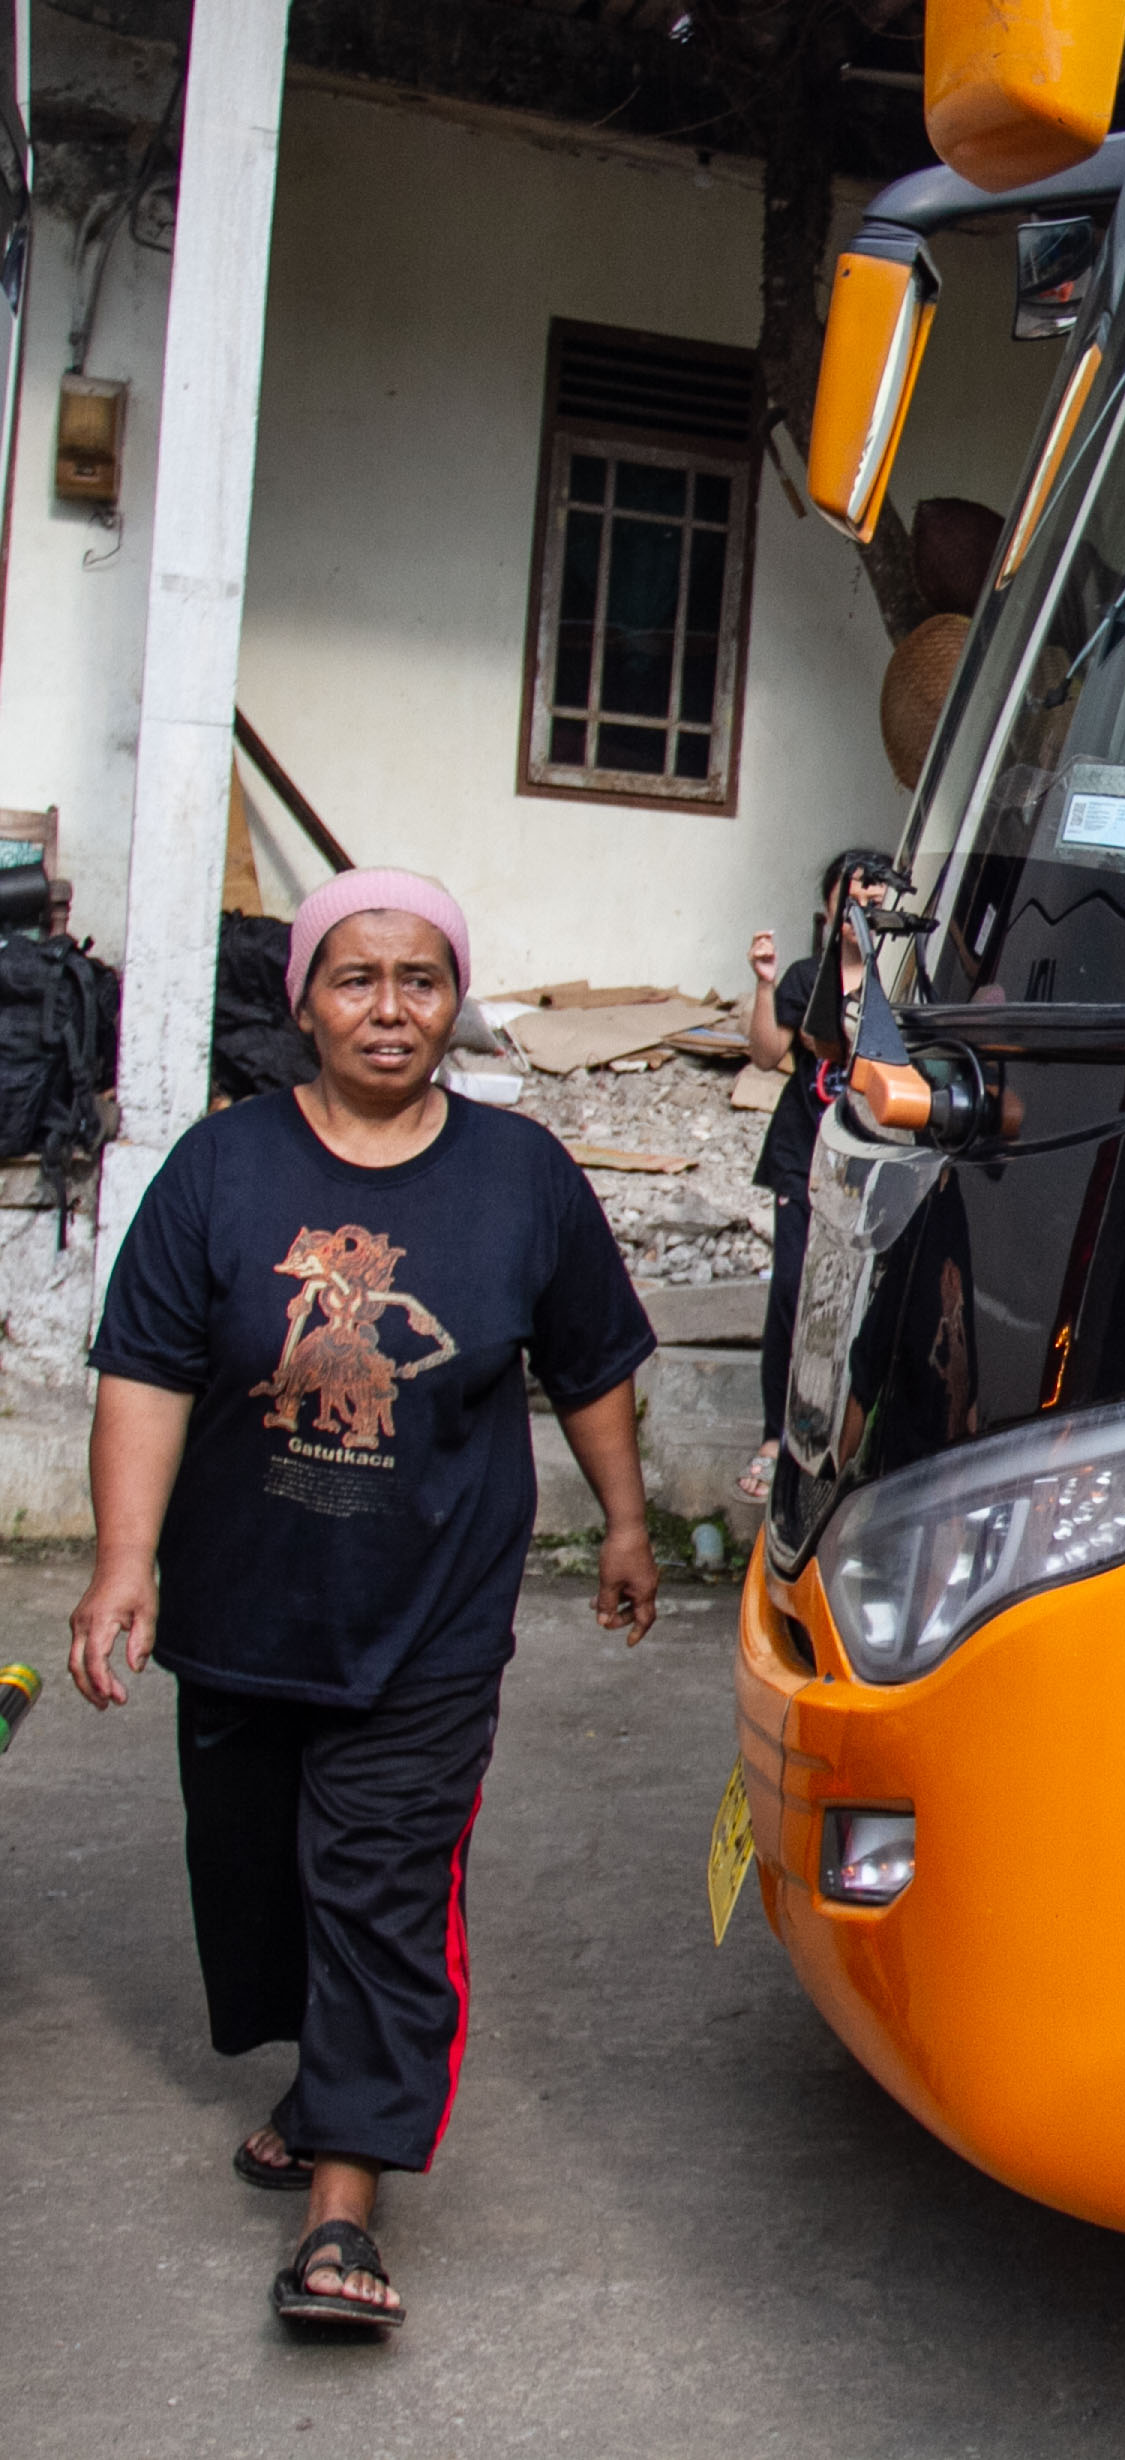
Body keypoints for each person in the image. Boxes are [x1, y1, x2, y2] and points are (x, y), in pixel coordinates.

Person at [65, 869, 662, 2333]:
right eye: (355, 979)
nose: (390, 1009)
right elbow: (146, 1366)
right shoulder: (221, 1168)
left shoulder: (522, 1176)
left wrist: (628, 1523)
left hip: (429, 1621)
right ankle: (317, 2084)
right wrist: (123, 1562)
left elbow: (590, 1362)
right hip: (244, 1612)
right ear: (305, 1004)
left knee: (384, 1891)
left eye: (420, 980)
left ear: (453, 1001)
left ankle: (342, 2212)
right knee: (258, 1877)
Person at [740, 847, 898, 1501]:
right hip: (802, 1154)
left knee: (862, 1301)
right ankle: (776, 1435)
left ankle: (847, 1437)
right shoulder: (810, 976)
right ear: (830, 907)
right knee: (791, 1292)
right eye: (850, 894)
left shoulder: (902, 977)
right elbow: (764, 1054)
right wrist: (765, 983)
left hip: (873, 1162)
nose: (862, 905)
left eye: (874, 896)